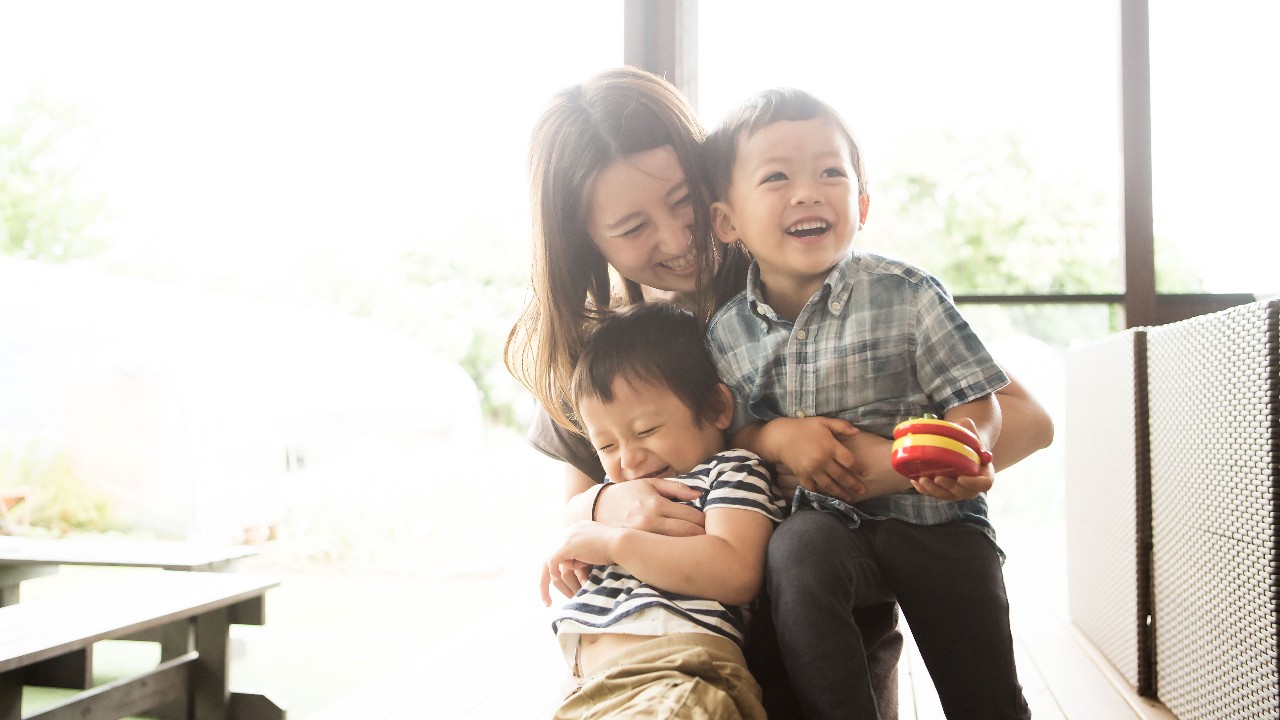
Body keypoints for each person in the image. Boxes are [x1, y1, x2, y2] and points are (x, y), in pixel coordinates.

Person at [505, 66, 1053, 717]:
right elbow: (574, 511)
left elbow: (1024, 417)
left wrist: (885, 466)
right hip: (673, 666)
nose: (678, 241)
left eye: (683, 202)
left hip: (826, 645)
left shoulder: (788, 267)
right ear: (583, 238)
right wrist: (611, 509)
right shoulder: (599, 345)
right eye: (632, 228)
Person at [702, 86, 1034, 720]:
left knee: (985, 692)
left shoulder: (906, 293)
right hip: (826, 528)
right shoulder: (727, 333)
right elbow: (730, 436)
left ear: (861, 203)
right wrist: (773, 437)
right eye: (777, 177)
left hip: (935, 524)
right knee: (796, 550)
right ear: (728, 222)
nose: (808, 192)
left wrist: (968, 448)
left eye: (831, 172)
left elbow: (978, 399)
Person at [541, 302, 784, 719]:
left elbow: (736, 571)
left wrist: (614, 544)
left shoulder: (730, 471)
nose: (629, 461)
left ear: (715, 408)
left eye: (646, 431)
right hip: (590, 687)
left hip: (680, 672)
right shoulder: (613, 500)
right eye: (607, 446)